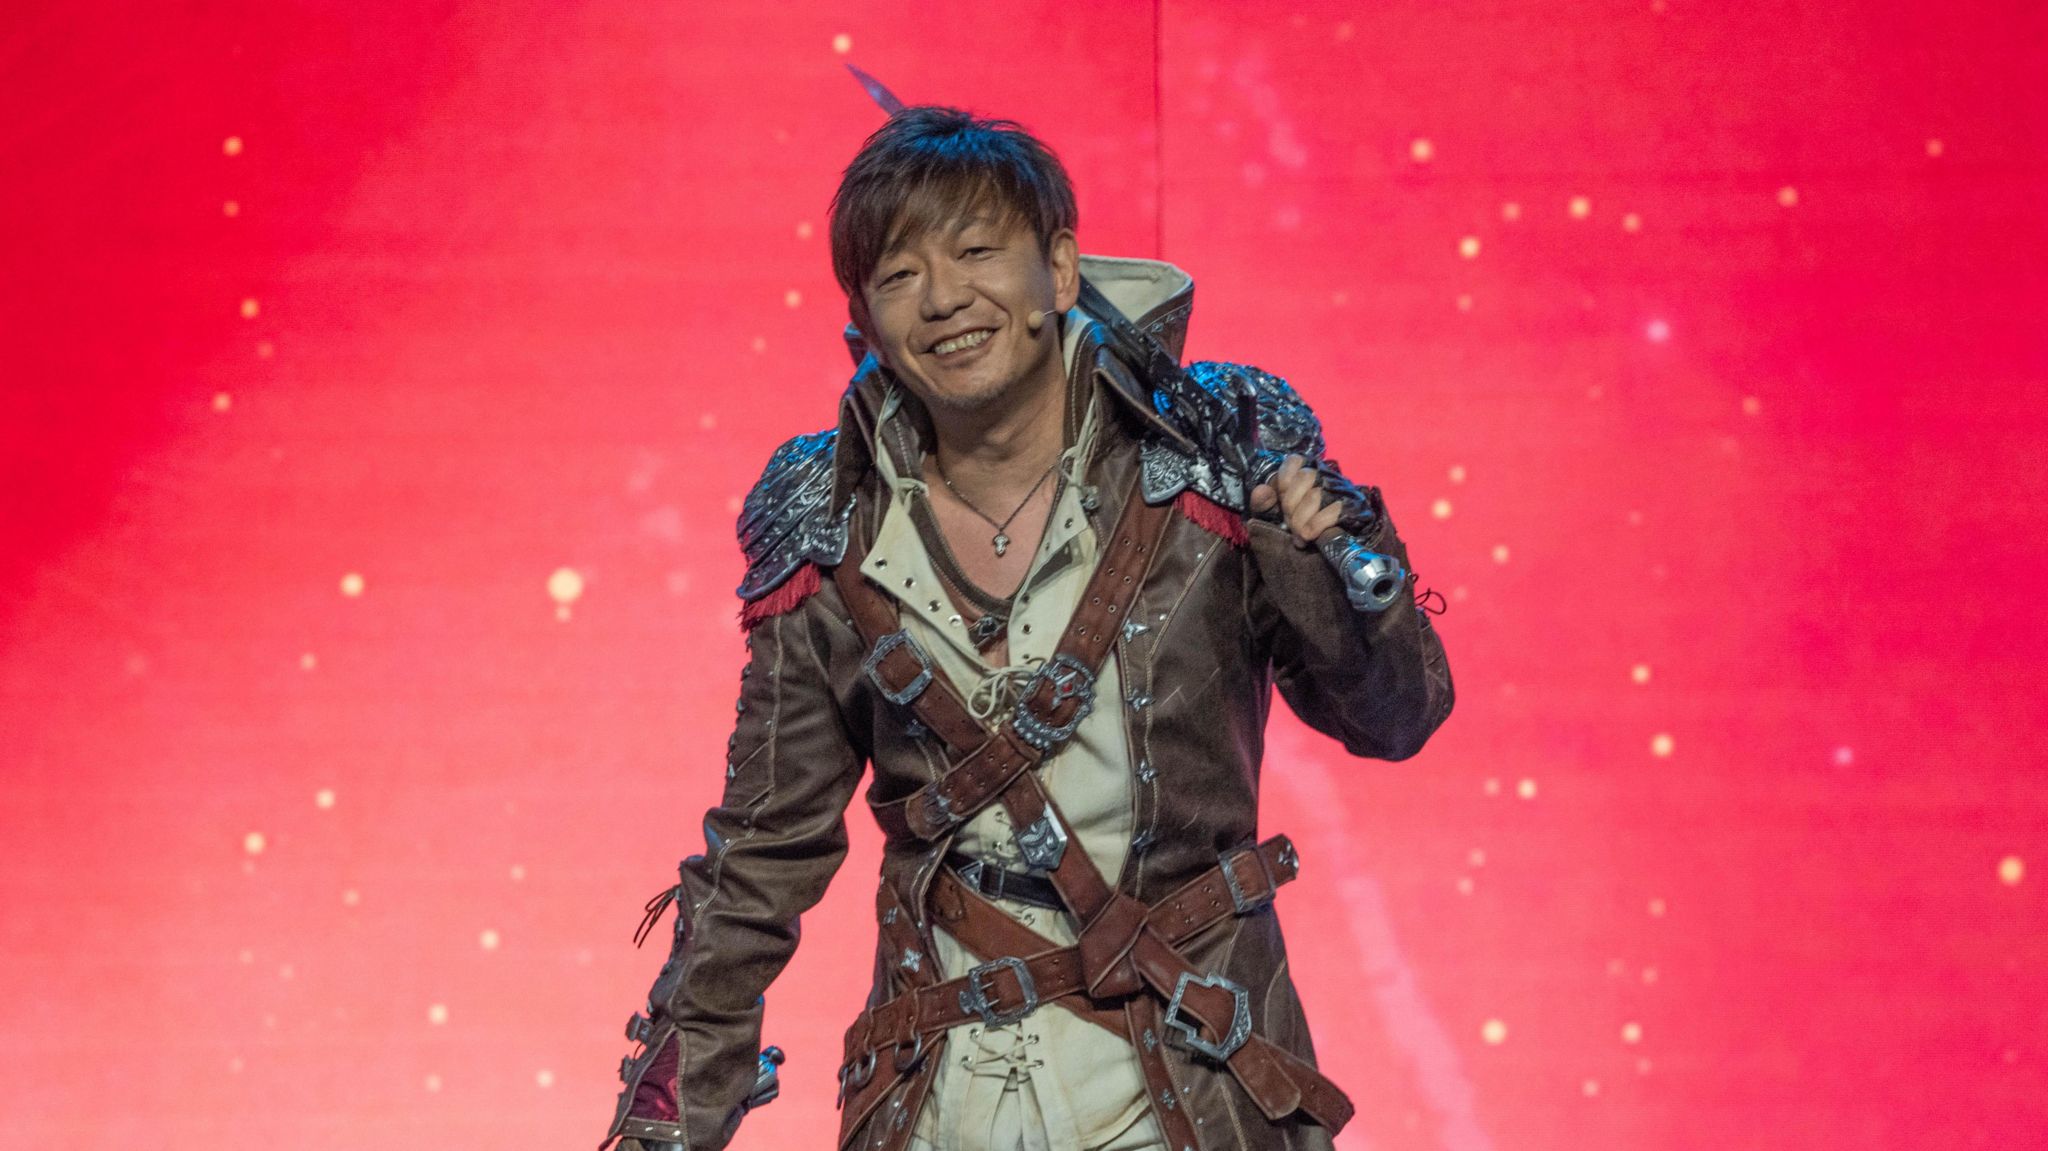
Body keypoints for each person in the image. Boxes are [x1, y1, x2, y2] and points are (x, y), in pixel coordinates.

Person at [599, 105, 1454, 1151]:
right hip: (939, 1097)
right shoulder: (823, 515)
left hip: (1197, 1090)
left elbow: (1395, 715)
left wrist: (1324, 552)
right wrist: (665, 1117)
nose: (944, 297)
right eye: (898, 273)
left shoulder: (1211, 452)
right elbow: (761, 851)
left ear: (1056, 271)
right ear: (861, 316)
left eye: (973, 252)